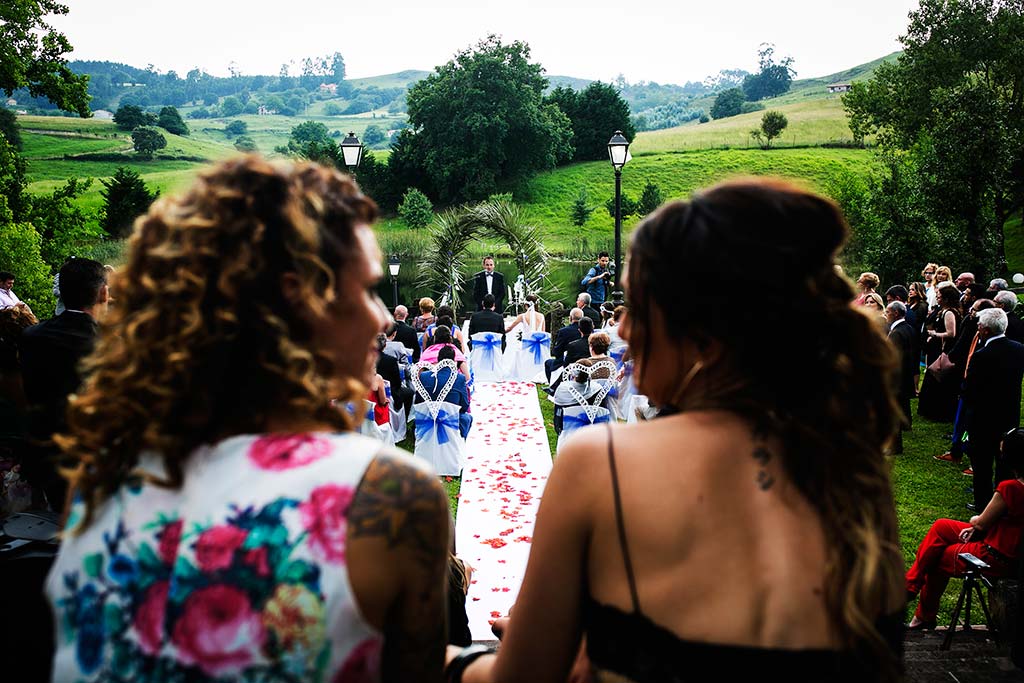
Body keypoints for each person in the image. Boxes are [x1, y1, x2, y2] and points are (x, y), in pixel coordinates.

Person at [445, 178, 905, 682]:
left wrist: (434, 658)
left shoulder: (602, 463)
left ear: (700, 327)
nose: (621, 330)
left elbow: (520, 677)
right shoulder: (851, 469)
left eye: (638, 308)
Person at [45, 157, 450, 682]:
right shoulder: (386, 493)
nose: (379, 317)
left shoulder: (102, 469)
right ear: (299, 298)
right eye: (366, 290)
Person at [907, 428, 1024, 630]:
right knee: (941, 526)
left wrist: (975, 522)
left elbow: (980, 522)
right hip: (1006, 546)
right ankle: (911, 585)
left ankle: (922, 613)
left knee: (937, 557)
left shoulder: (1011, 488)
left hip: (994, 555)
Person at [19, 258, 109, 511]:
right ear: (103, 293)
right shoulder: (110, 344)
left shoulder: (31, 336)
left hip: (43, 454)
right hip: (91, 459)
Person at [962, 308, 1024, 512]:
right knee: (1005, 462)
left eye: (979, 325)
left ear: (985, 330)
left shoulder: (981, 355)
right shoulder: (1019, 349)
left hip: (982, 418)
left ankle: (983, 504)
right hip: (1008, 414)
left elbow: (970, 389)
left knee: (982, 464)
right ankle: (1004, 502)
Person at [918, 283, 962, 422]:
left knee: (938, 378)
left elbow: (951, 333)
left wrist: (934, 334)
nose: (937, 298)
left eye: (939, 296)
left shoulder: (949, 313)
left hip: (945, 349)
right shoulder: (942, 311)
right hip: (937, 348)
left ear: (947, 299)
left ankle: (940, 411)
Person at [886, 301, 917, 455]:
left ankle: (895, 445)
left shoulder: (896, 333)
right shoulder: (909, 328)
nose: (886, 315)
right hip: (906, 376)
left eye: (888, 312)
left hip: (896, 379)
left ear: (896, 313)